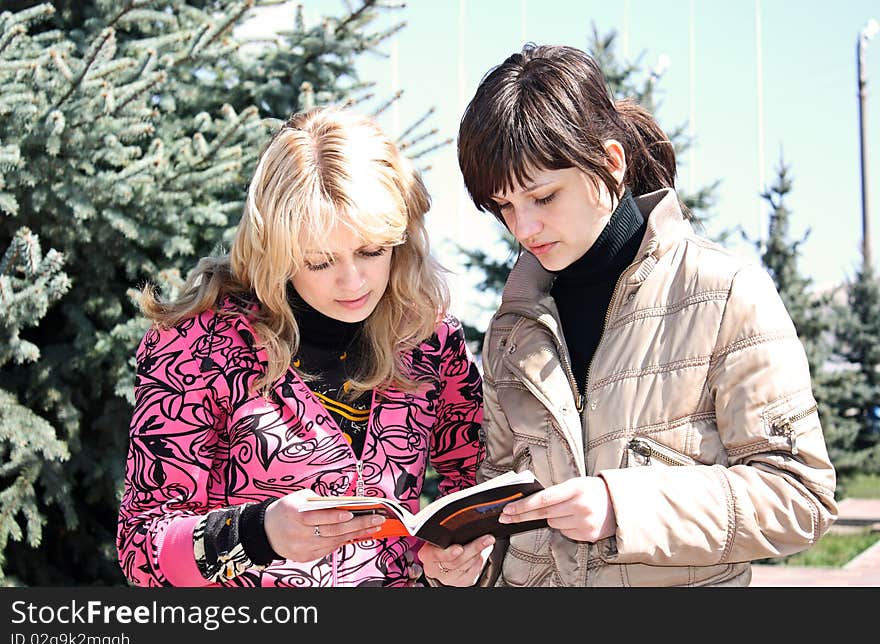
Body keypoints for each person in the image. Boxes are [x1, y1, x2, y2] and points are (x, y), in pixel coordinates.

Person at [419, 43, 838, 587]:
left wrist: (623, 507)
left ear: (611, 164)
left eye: (543, 197)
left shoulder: (725, 292)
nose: (523, 229)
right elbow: (498, 511)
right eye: (504, 206)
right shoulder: (511, 328)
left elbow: (799, 496)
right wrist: (466, 567)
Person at [116, 105, 485, 587]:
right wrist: (257, 532)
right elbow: (141, 548)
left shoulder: (430, 340)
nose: (353, 281)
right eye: (319, 261)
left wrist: (454, 560)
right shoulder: (197, 346)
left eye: (372, 251)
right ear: (276, 252)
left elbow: (477, 486)